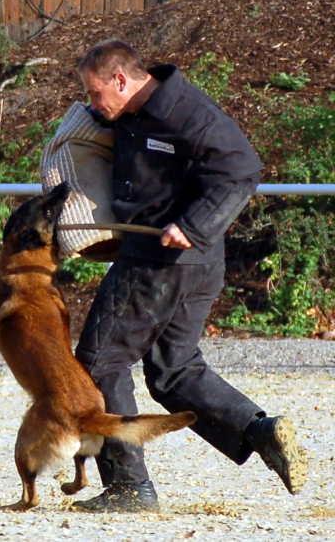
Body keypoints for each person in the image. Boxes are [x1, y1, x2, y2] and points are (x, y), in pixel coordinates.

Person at [72, 39, 307, 512]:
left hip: (161, 261)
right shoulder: (133, 111)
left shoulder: (185, 111)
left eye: (96, 93)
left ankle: (128, 487)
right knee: (174, 371)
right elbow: (105, 129)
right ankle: (259, 430)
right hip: (195, 264)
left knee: (99, 362)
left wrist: (193, 224)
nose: (93, 103)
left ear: (121, 79)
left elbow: (241, 169)